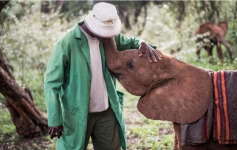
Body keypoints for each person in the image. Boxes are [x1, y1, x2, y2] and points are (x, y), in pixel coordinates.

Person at [44, 2, 161, 150]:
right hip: (77, 114)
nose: (109, 35)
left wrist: (142, 43)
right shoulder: (67, 43)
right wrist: (54, 119)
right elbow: (51, 83)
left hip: (107, 111)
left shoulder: (109, 38)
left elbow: (131, 42)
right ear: (93, 24)